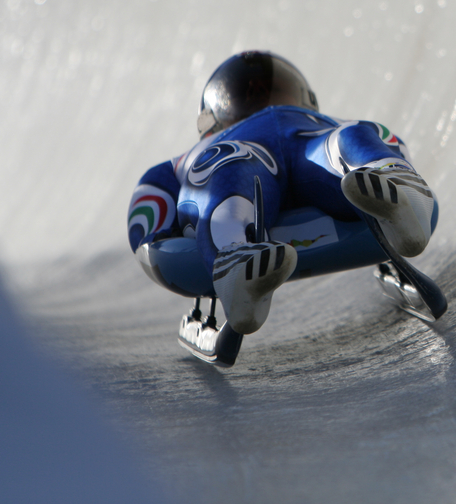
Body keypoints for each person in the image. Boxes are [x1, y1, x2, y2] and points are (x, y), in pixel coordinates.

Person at [127, 50, 437, 336]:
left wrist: (156, 241)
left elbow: (145, 214)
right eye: (247, 97)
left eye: (277, 92)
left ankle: (396, 194)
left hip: (305, 142)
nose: (269, 105)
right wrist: (157, 240)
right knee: (232, 162)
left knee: (349, 136)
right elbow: (149, 210)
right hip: (254, 153)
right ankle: (235, 257)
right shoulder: (195, 155)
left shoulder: (329, 124)